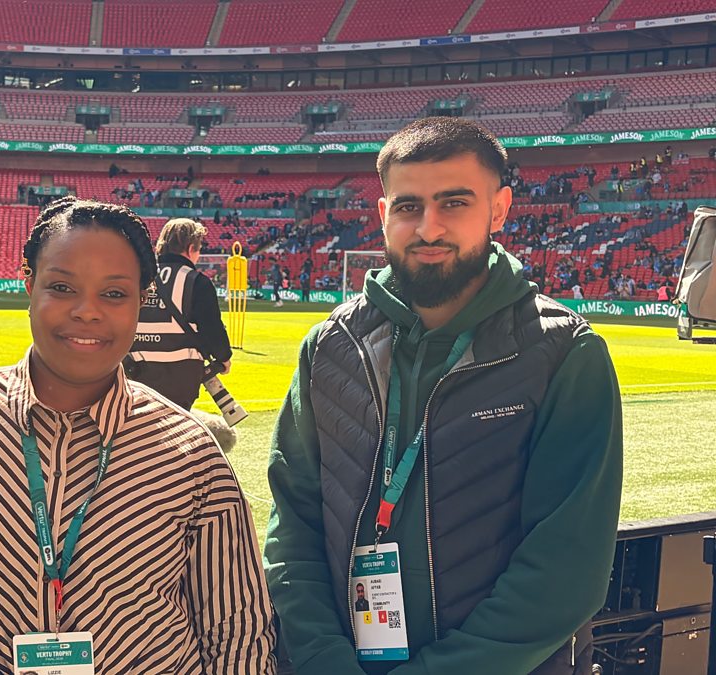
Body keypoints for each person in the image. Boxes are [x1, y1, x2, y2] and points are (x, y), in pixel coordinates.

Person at [264, 118, 622, 675]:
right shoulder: (330, 346)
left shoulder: (564, 354)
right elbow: (292, 526)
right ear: (383, 213)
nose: (428, 228)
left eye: (454, 203)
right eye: (409, 206)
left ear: (499, 209)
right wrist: (323, 659)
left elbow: (565, 571)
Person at [0, 197, 276, 672]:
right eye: (62, 287)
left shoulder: (191, 453)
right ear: (29, 284)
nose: (87, 311)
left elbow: (238, 630)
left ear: (141, 301)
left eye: (114, 294)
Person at [125, 218, 233, 410]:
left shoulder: (137, 276)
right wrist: (224, 357)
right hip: (180, 376)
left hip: (134, 371)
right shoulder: (196, 281)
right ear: (191, 248)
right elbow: (212, 328)